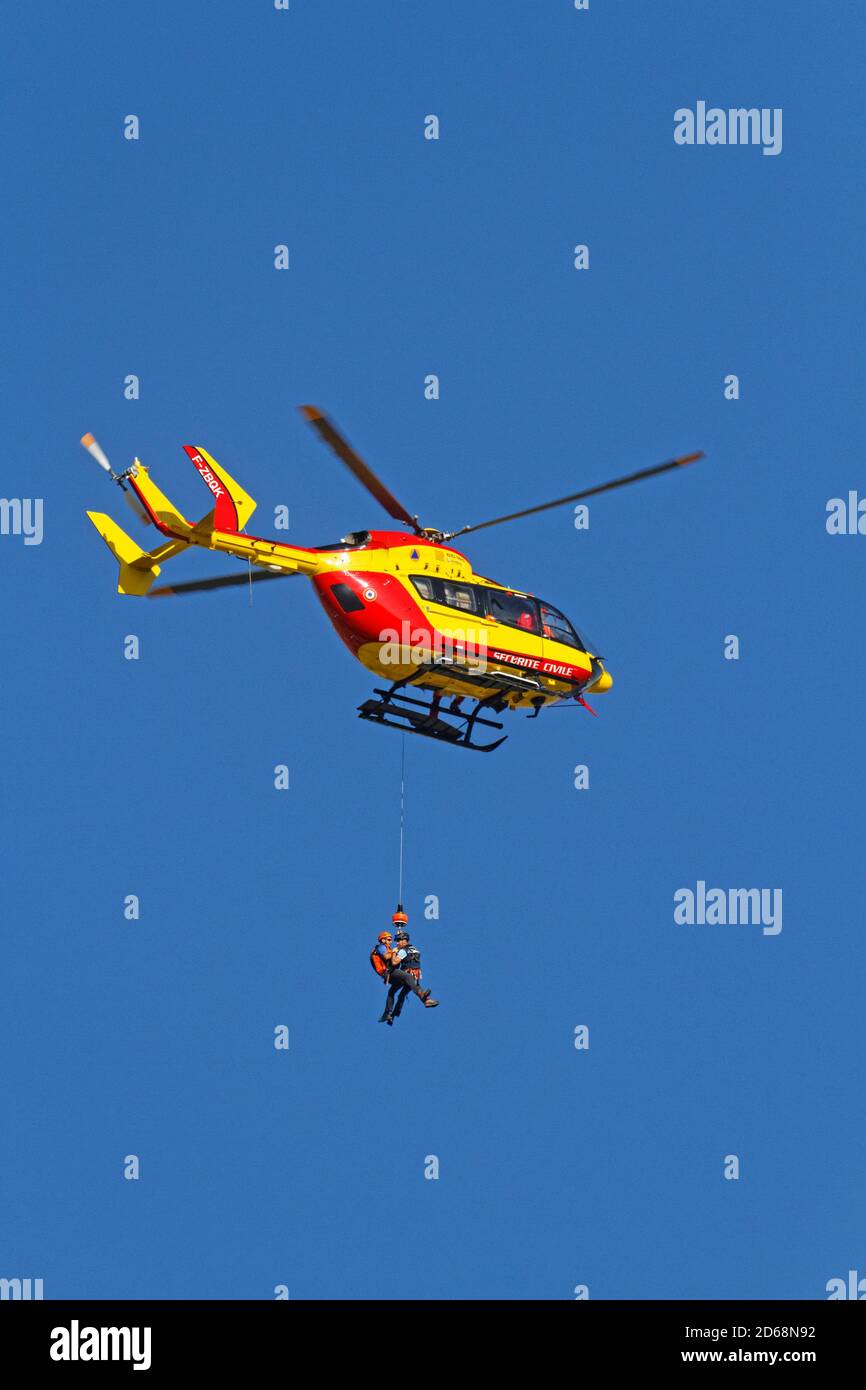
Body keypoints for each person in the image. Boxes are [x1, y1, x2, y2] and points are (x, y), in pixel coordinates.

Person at [372, 909, 439, 1025]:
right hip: (407, 975)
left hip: (405, 974)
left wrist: (395, 952)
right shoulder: (385, 947)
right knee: (401, 990)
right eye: (389, 940)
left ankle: (390, 1014)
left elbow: (394, 962)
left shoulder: (401, 950)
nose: (393, 942)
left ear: (404, 941)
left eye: (396, 940)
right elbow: (391, 960)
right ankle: (422, 1000)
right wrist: (395, 951)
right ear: (382, 940)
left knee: (396, 993)